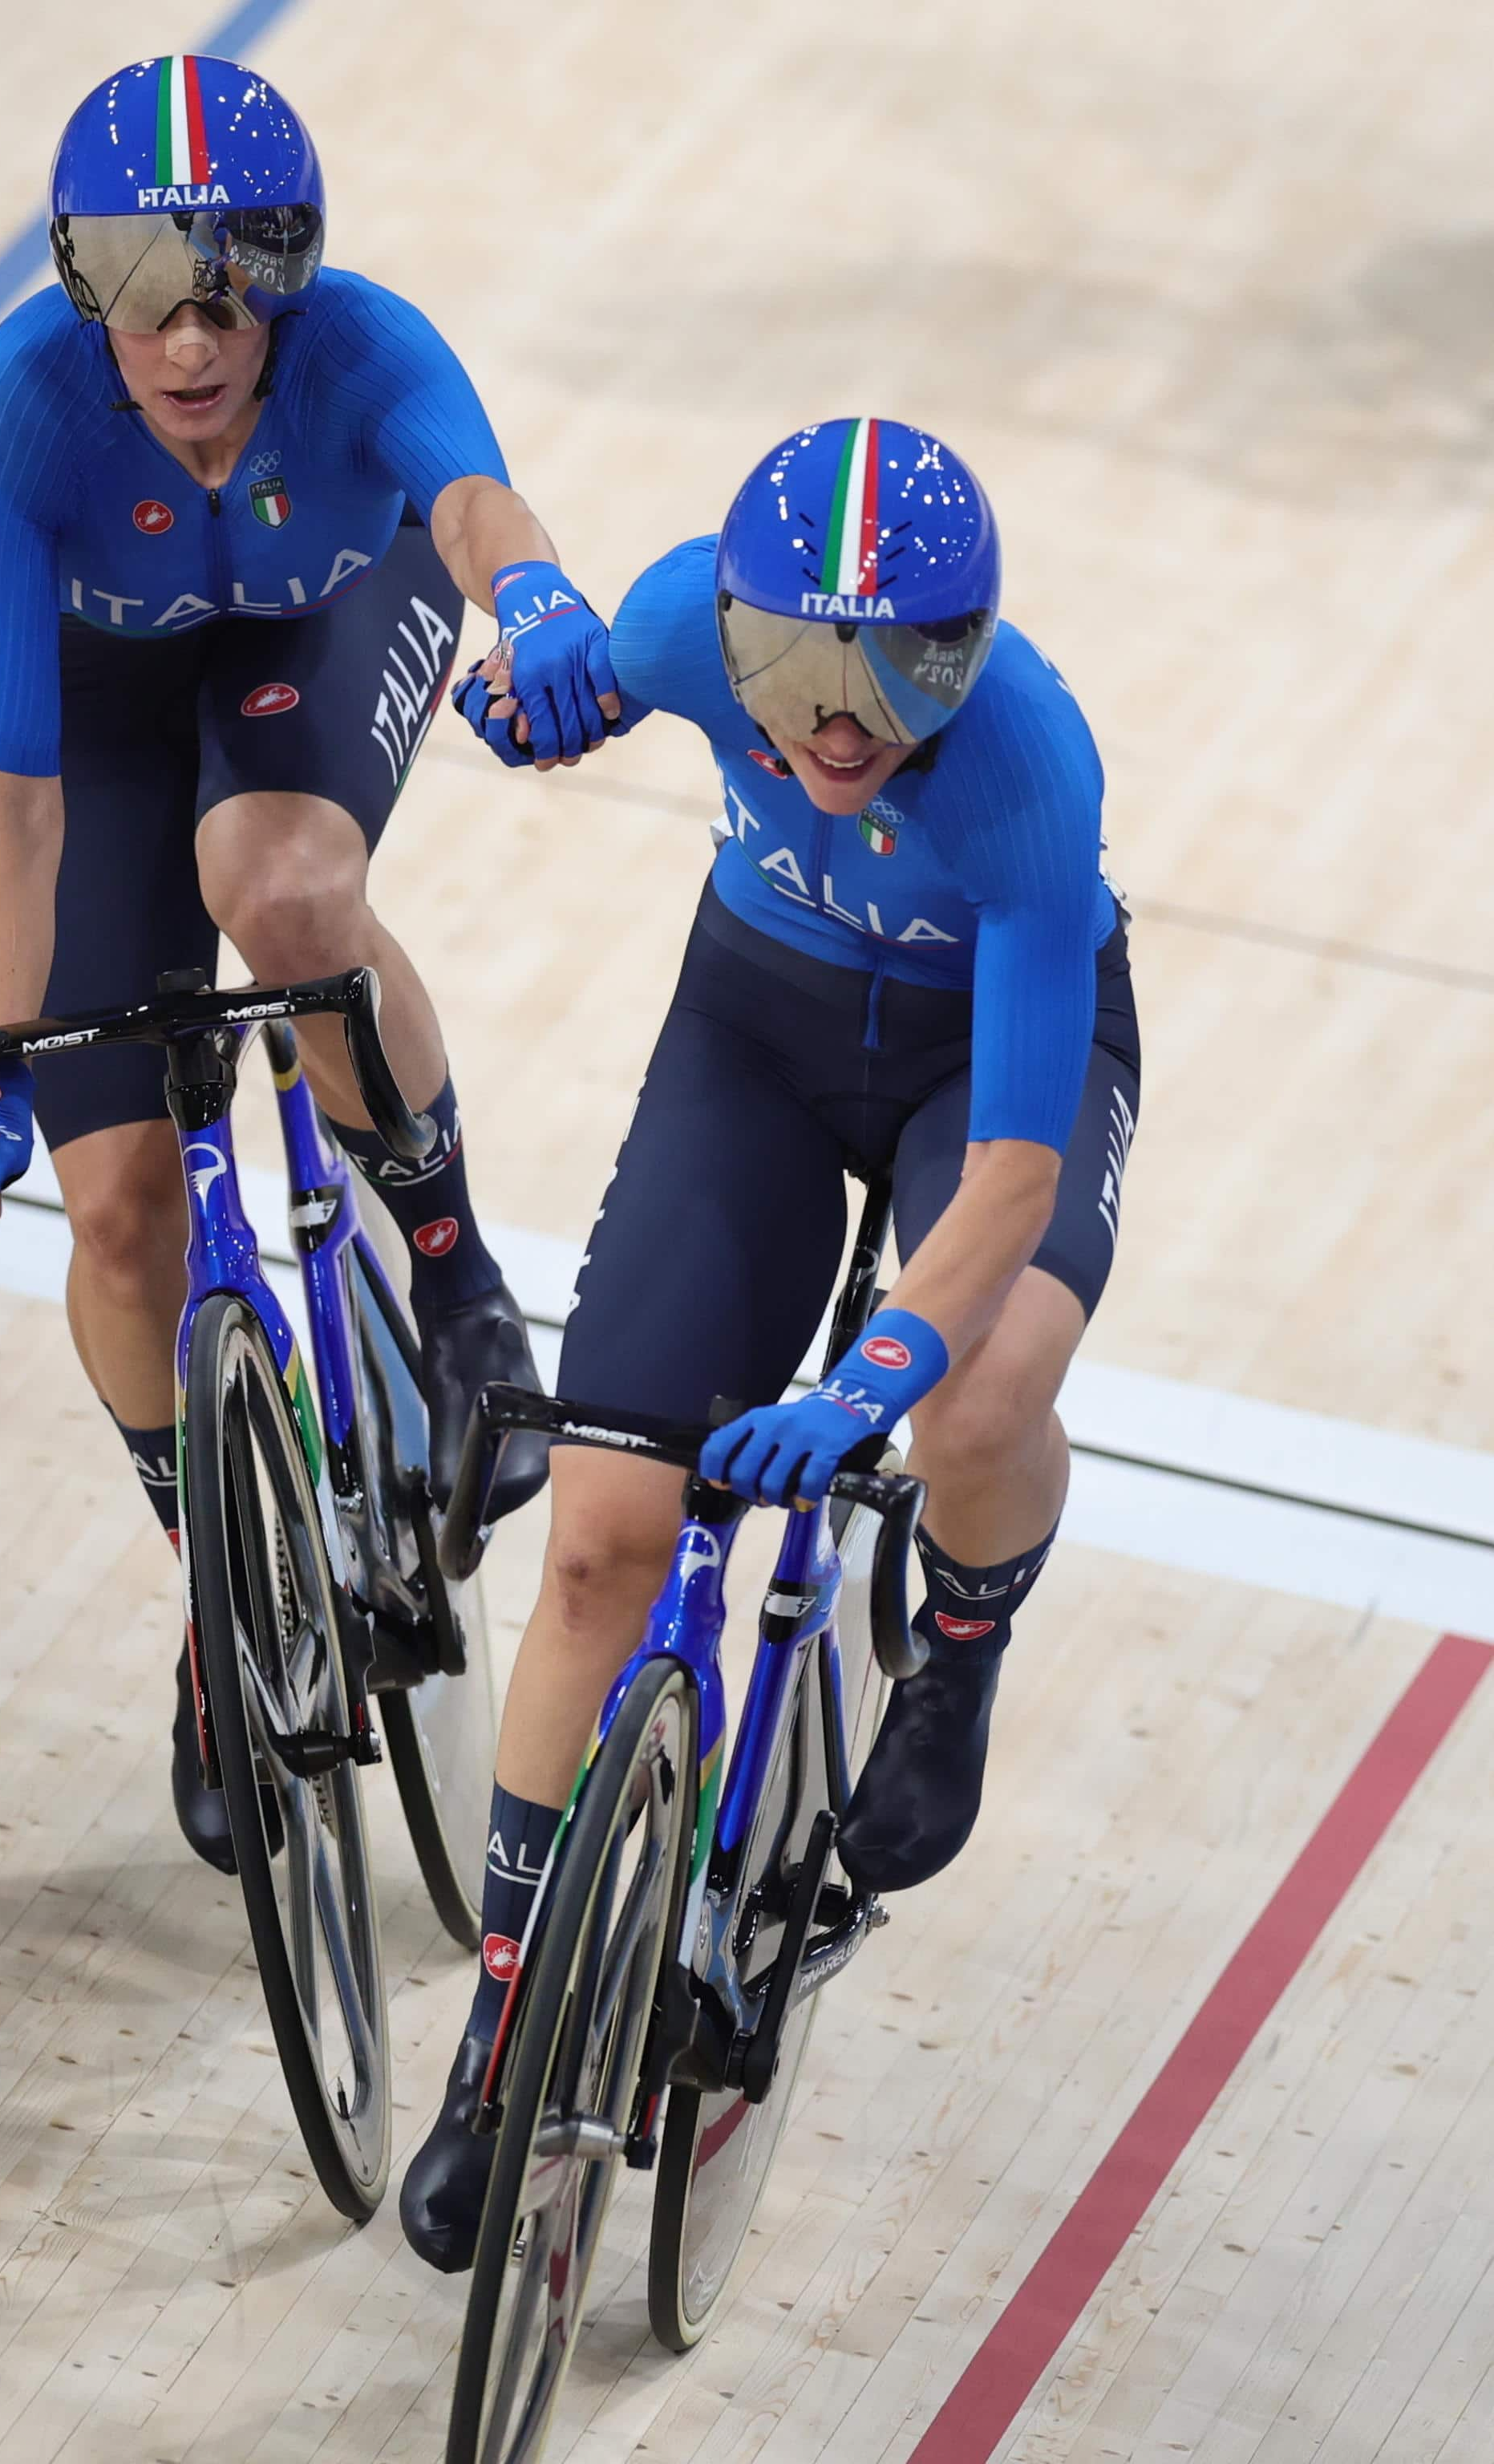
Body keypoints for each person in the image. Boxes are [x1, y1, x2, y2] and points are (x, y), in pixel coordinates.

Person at [399, 416, 1140, 2270]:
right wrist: (547, 693)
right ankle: (503, 2024)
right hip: (762, 1021)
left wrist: (871, 1379)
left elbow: (1010, 1182)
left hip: (987, 1066)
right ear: (735, 634)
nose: (838, 718)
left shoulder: (1028, 768)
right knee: (595, 1536)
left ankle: (957, 1636)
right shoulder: (677, 627)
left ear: (967, 658)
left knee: (981, 1386)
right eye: (799, 665)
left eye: (897, 667)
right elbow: (542, 641)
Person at [0, 55, 626, 1874]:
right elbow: (13, 819)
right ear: (80, 284)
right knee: (122, 1215)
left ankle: (456, 1286)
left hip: (323, 619)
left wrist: (534, 596)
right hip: (106, 717)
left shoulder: (367, 353)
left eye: (233, 281)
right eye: (144, 283)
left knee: (280, 892)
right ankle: (222, 1602)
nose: (193, 331)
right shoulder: (22, 414)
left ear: (294, 274)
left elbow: (473, 513)